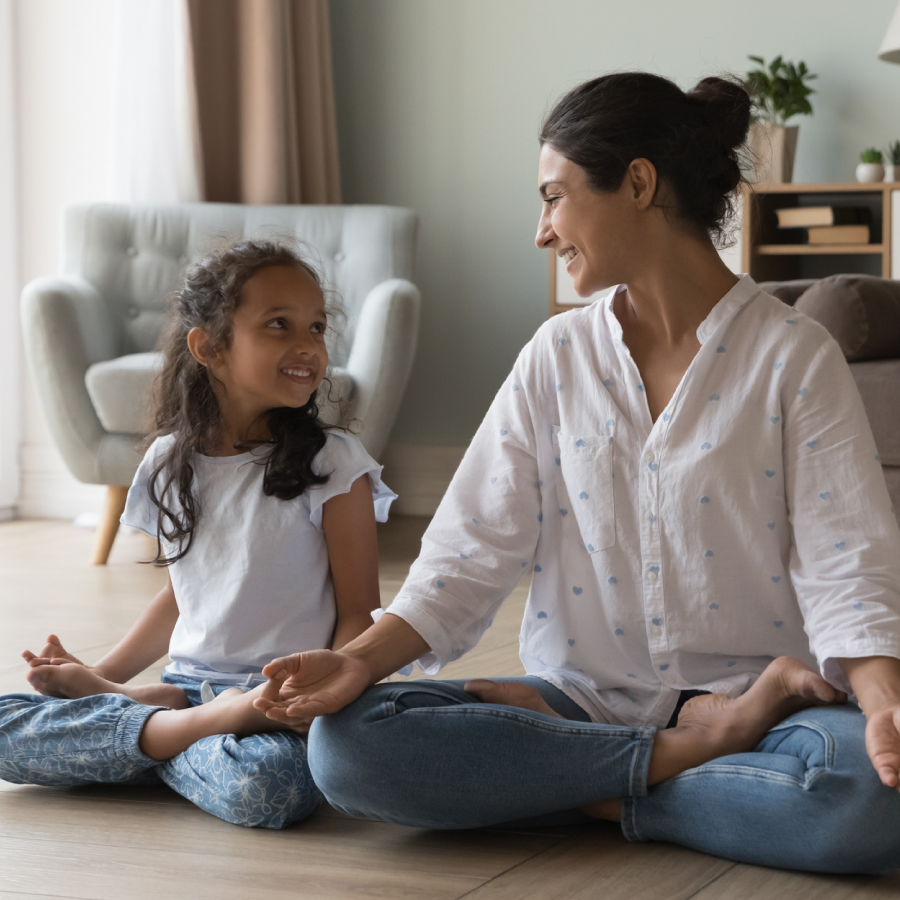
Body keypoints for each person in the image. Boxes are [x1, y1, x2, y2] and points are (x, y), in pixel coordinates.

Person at [251, 73, 900, 872]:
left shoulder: (794, 357)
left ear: (637, 183)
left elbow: (849, 565)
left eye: (553, 197)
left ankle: (590, 782)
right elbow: (465, 556)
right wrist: (358, 662)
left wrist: (884, 705)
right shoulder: (555, 357)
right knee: (348, 747)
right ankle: (672, 767)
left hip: (763, 705)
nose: (541, 230)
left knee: (877, 794)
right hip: (581, 697)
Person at [0, 239, 395, 829]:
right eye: (279, 325)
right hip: (191, 689)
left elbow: (360, 609)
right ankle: (188, 723)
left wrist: (315, 699)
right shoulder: (167, 460)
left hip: (274, 702)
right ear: (210, 347)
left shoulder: (336, 464)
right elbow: (182, 594)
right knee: (5, 726)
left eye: (316, 326)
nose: (308, 345)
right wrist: (104, 678)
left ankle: (149, 729)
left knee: (273, 789)